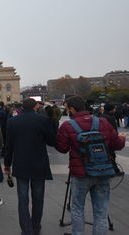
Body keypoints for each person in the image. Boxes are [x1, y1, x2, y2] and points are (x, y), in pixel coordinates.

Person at [56, 96, 126, 235]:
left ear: (72, 109)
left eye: (67, 108)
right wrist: (122, 138)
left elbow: (62, 148)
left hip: (80, 173)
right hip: (102, 171)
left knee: (77, 208)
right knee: (101, 211)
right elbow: (117, 144)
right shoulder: (103, 122)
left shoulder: (68, 126)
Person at [4, 98, 57, 235]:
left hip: (21, 164)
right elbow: (52, 141)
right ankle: (36, 226)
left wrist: (7, 164)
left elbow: (8, 146)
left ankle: (26, 230)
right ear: (35, 106)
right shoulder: (43, 120)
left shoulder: (12, 121)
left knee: (23, 199)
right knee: (38, 197)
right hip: (39, 163)